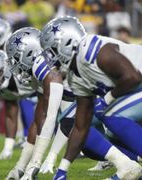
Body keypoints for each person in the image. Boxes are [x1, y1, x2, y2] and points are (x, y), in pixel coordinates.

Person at [40, 16, 142, 179]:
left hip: (137, 85)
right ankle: (129, 164)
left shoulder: (92, 49)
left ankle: (129, 166)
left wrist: (106, 99)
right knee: (76, 122)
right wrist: (62, 170)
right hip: (134, 94)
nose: (50, 60)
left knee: (109, 112)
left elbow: (133, 77)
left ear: (67, 42)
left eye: (52, 51)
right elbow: (81, 125)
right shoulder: (75, 77)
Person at [2, 27, 64, 179]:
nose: (15, 64)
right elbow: (38, 121)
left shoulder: (44, 66)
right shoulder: (38, 71)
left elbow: (51, 117)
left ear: (30, 52)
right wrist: (20, 167)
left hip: (98, 100)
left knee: (84, 137)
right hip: (83, 104)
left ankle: (124, 165)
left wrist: (35, 164)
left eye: (16, 57)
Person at [0, 49, 36, 160]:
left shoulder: (25, 69)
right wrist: (8, 148)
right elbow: (11, 115)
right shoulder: (0, 89)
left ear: (6, 66)